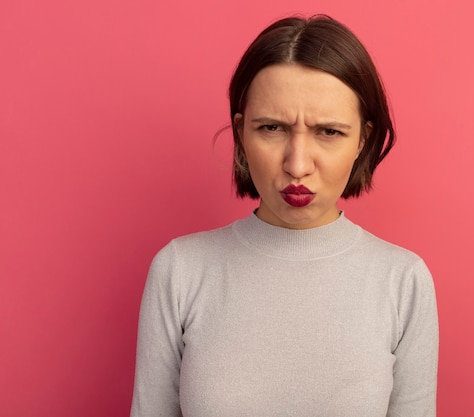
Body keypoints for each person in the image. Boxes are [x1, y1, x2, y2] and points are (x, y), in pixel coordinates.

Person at [130, 15, 438, 417]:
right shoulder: (180, 271)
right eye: (272, 127)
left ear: (362, 139)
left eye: (328, 132)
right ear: (241, 133)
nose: (297, 165)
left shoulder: (404, 281)